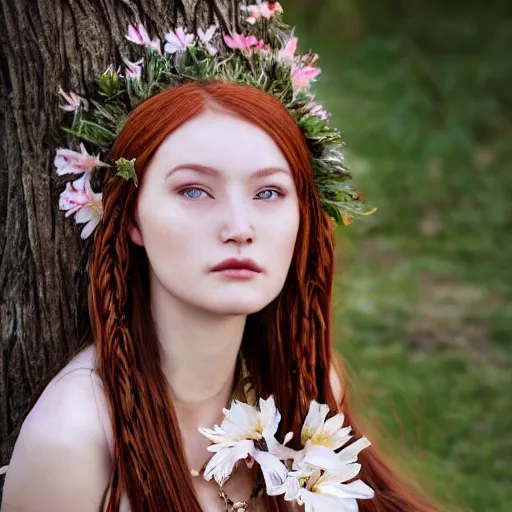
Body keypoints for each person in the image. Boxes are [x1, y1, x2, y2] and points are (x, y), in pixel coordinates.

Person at [1, 4, 439, 512]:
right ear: (132, 219)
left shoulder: (302, 388)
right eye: (193, 191)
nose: (239, 228)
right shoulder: (75, 440)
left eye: (269, 193)